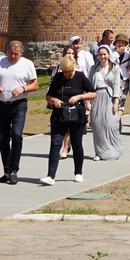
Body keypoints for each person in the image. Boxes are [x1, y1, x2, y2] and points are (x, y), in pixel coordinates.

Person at [0, 38, 40, 184]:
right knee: (3, 139)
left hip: (19, 104)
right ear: (7, 51)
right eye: (11, 53)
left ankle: (14, 169)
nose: (13, 56)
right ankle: (6, 171)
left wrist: (23, 88)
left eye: (16, 54)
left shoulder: (27, 64)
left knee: (16, 135)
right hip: (2, 104)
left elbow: (35, 85)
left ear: (21, 53)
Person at [41, 55, 91, 183]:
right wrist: (54, 101)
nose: (67, 74)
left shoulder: (80, 77)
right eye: (64, 71)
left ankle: (78, 172)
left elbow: (93, 93)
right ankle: (51, 176)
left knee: (77, 144)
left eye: (69, 71)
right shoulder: (58, 78)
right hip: (59, 115)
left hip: (77, 116)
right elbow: (48, 96)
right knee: (55, 144)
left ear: (74, 67)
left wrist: (79, 97)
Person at [90, 44, 123, 161]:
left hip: (109, 97)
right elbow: (90, 86)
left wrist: (116, 102)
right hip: (97, 97)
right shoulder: (94, 68)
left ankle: (114, 150)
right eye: (100, 54)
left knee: (110, 123)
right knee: (97, 124)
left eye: (104, 54)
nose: (102, 56)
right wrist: (88, 102)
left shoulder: (114, 67)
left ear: (108, 54)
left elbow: (116, 85)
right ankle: (99, 152)